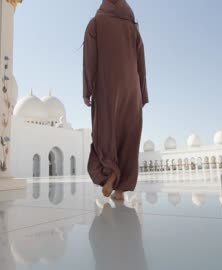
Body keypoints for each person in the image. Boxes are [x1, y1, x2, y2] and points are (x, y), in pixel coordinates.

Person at [83, 0, 148, 201]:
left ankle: (110, 171)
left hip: (107, 88)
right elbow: (141, 63)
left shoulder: (96, 24)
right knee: (128, 138)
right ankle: (120, 191)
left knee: (105, 135)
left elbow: (89, 60)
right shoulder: (133, 28)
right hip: (132, 89)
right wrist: (143, 94)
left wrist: (87, 90)